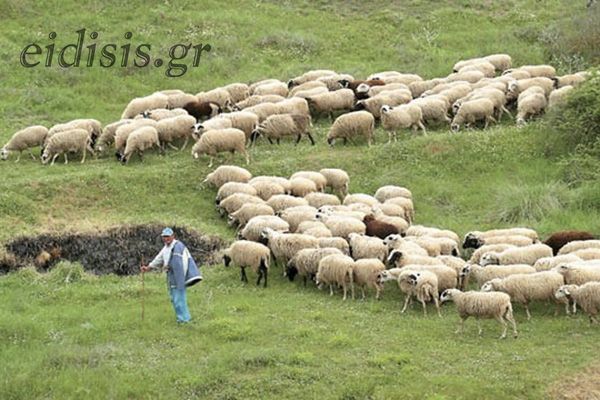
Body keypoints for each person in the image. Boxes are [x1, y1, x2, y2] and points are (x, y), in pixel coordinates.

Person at [141, 227, 202, 323]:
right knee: (174, 298)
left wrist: (177, 274)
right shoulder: (166, 248)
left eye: (168, 236)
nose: (166, 238)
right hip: (171, 276)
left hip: (178, 276)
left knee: (179, 298)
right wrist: (148, 267)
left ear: (173, 236)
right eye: (164, 237)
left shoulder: (178, 246)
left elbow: (180, 263)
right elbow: (159, 258)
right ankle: (181, 318)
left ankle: (184, 320)